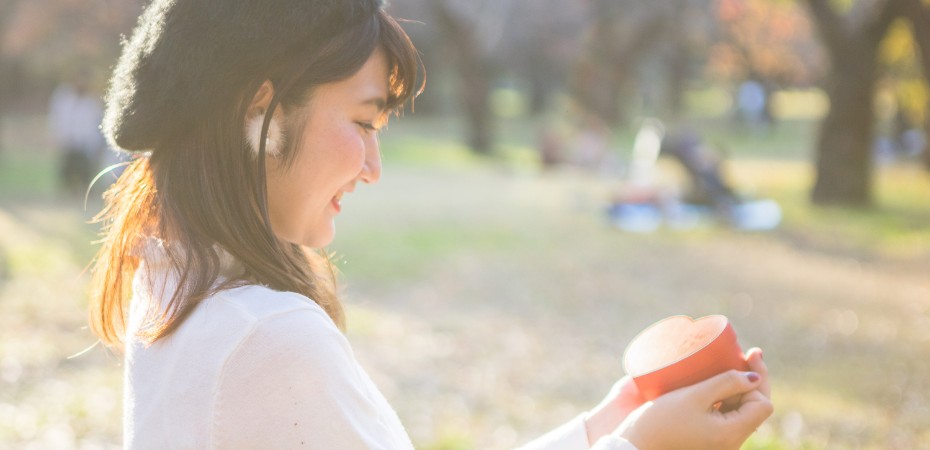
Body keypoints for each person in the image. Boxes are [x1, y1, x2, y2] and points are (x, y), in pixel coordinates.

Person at [89, 0, 773, 448]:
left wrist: (608, 423)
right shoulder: (265, 336)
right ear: (257, 111)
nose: (372, 165)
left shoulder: (178, 288)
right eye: (361, 123)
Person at [47, 72, 107, 197]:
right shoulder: (63, 97)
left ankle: (85, 192)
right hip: (68, 142)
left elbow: (95, 122)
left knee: (85, 173)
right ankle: (68, 193)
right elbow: (57, 118)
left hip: (86, 143)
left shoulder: (93, 100)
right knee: (67, 172)